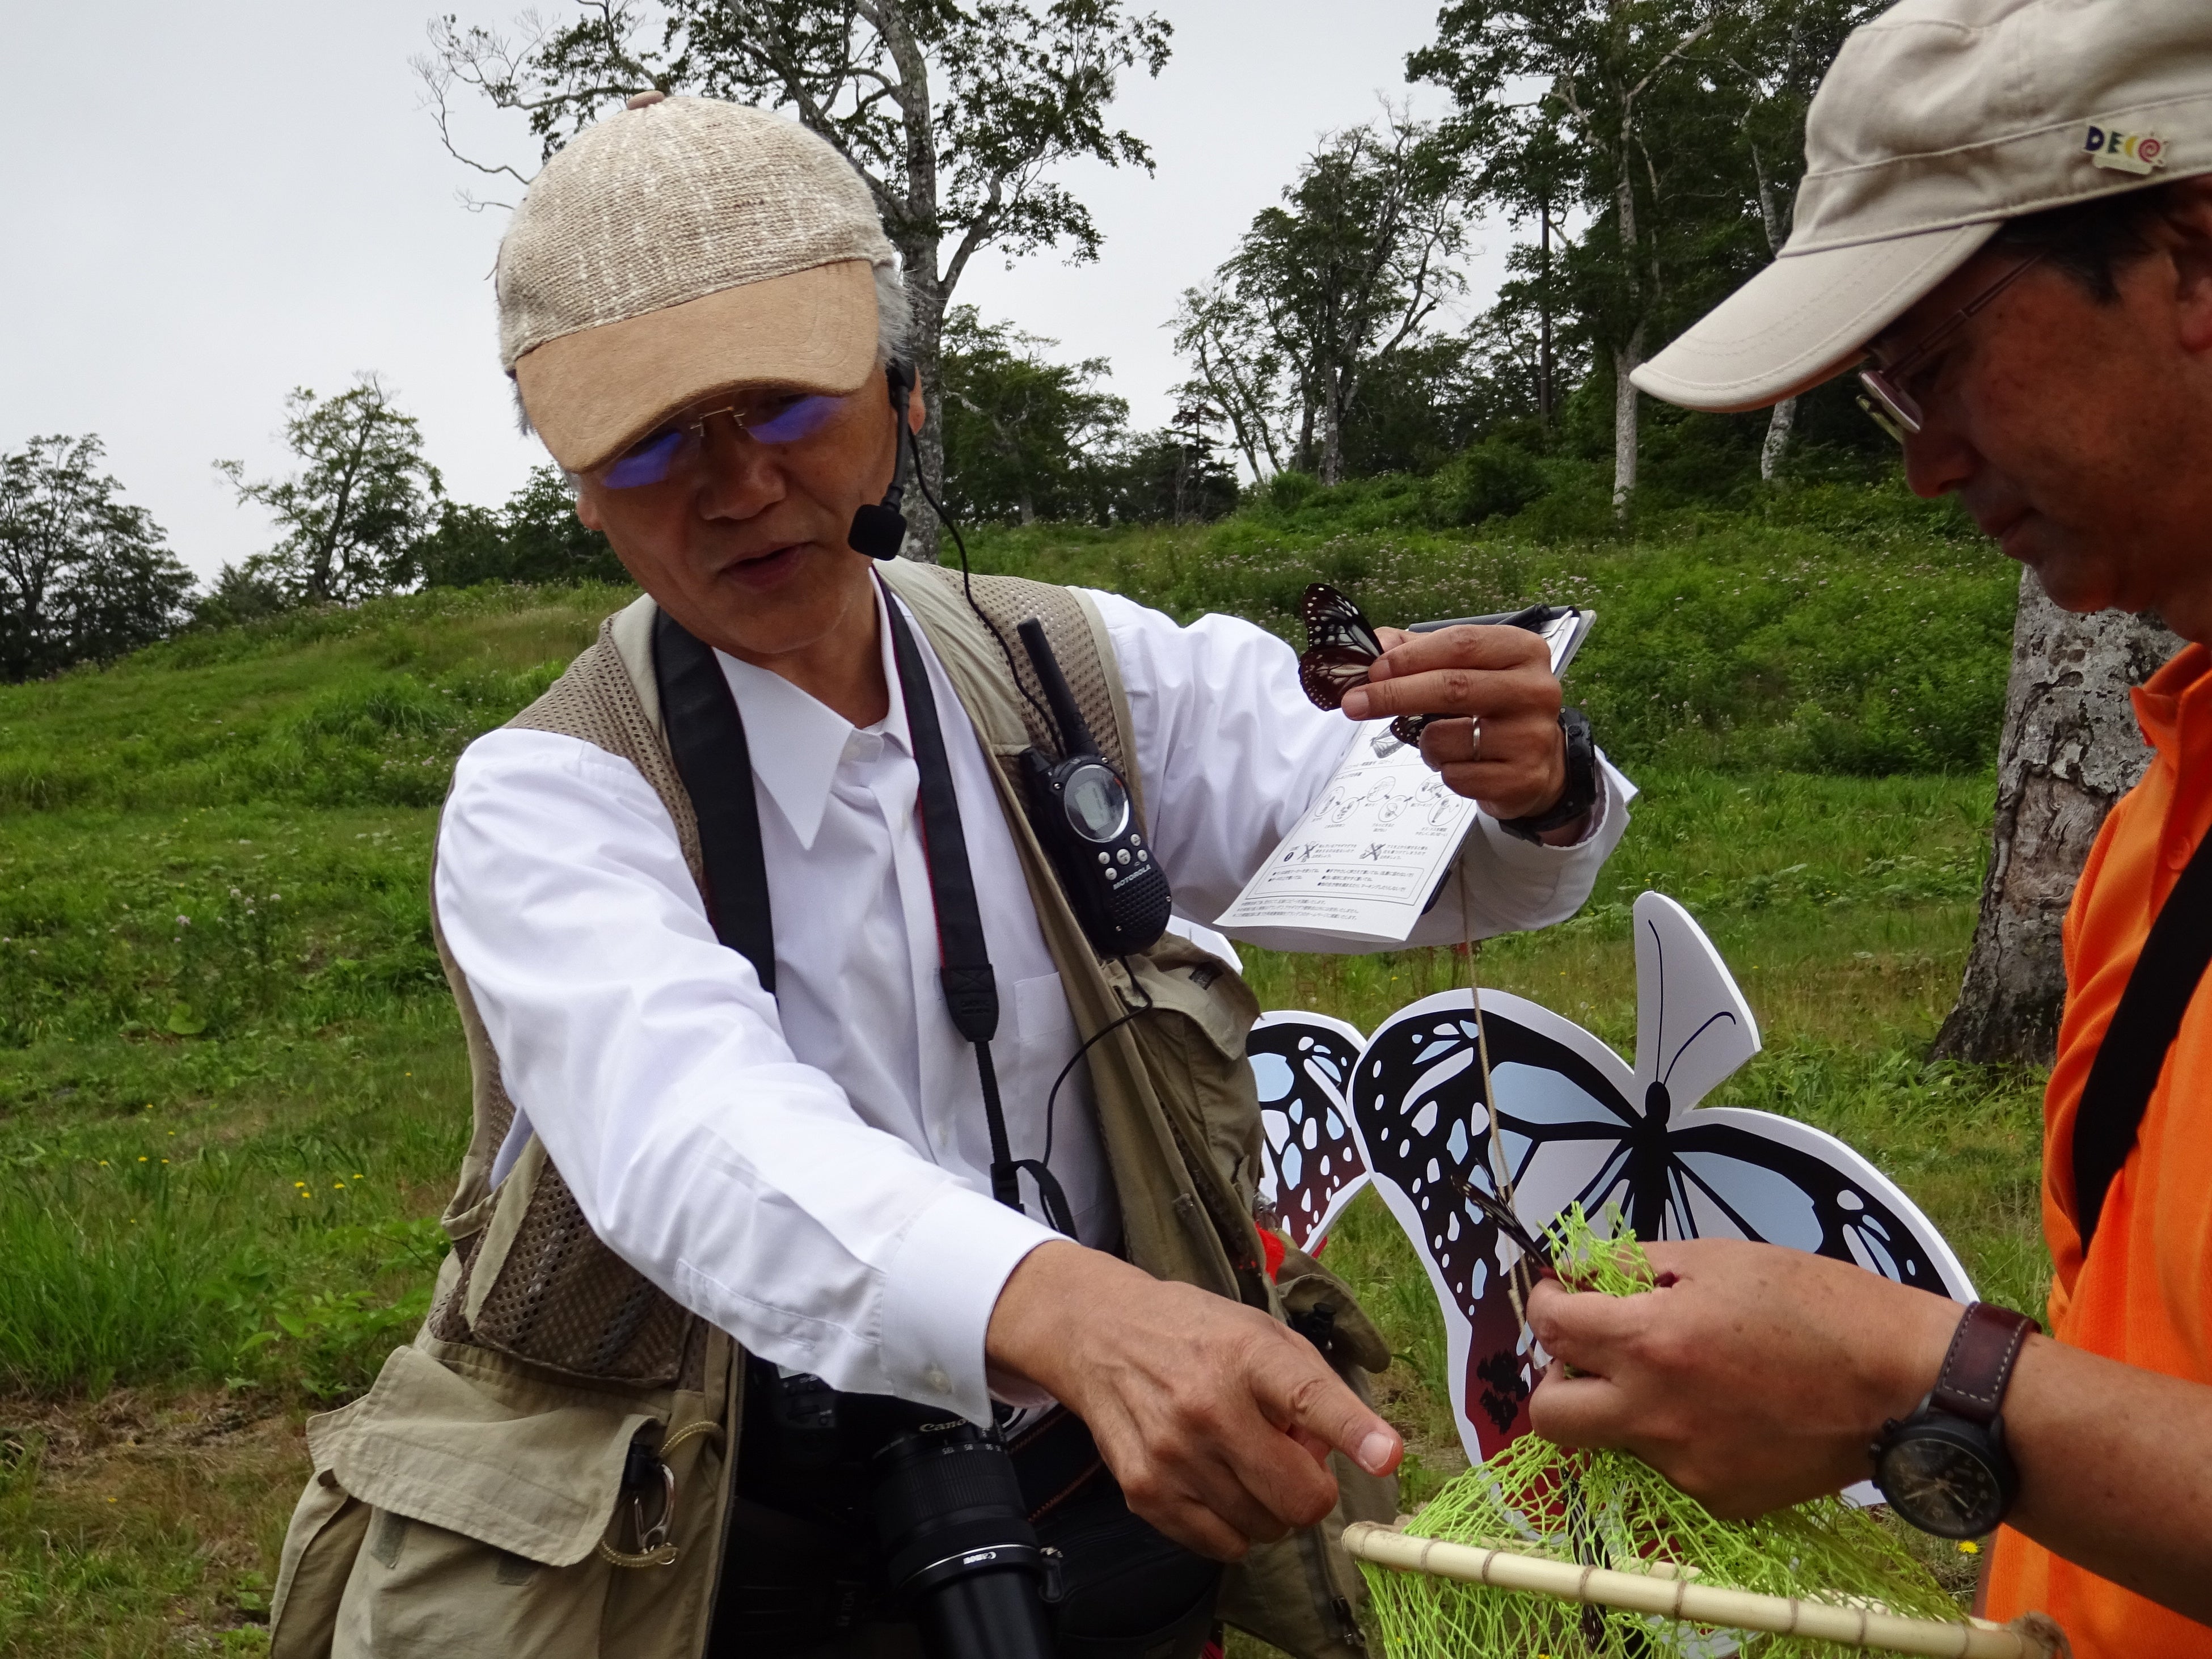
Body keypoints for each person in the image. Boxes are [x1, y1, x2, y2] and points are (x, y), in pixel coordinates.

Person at [265, 93, 1634, 1659]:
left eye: (779, 406)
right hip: (721, 1543)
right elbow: (685, 1128)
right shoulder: (552, 795)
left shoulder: (1072, 667)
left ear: (901, 399)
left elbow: (1401, 844)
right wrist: (1068, 1309)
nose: (731, 486)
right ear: (575, 483)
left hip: (1102, 1502)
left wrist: (1527, 782)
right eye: (650, 441)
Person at [1523, 0, 2212, 1652]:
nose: (1924, 468)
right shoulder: (2155, 823)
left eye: (1936, 365)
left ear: (2187, 259)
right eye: (1890, 404)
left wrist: (1920, 1377)